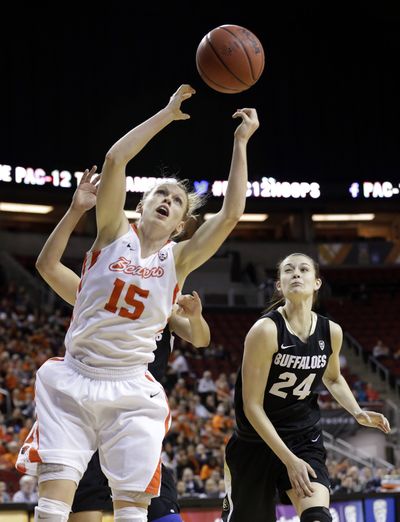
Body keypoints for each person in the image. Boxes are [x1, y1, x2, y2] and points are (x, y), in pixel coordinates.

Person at [17, 84, 259, 522]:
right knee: (52, 509)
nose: (167, 201)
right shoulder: (112, 234)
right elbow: (115, 159)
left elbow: (231, 213)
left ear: (182, 223)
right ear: (140, 207)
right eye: (160, 195)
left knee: (133, 513)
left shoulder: (179, 260)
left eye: (176, 200)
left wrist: (240, 143)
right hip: (74, 378)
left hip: (130, 389)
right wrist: (166, 114)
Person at [19, 168, 210, 522]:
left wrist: (195, 317)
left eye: (176, 201)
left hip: (134, 412)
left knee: (161, 512)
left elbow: (200, 338)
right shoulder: (99, 292)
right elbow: (47, 266)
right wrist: (77, 210)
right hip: (85, 403)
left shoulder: (164, 301)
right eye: (161, 196)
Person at [222, 252, 390, 522]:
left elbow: (332, 377)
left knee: (317, 518)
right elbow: (251, 406)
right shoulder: (265, 330)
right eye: (288, 270)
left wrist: (357, 411)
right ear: (279, 285)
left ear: (317, 283)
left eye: (303, 270)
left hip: (303, 438)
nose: (296, 274)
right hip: (255, 442)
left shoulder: (331, 331)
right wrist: (288, 460)